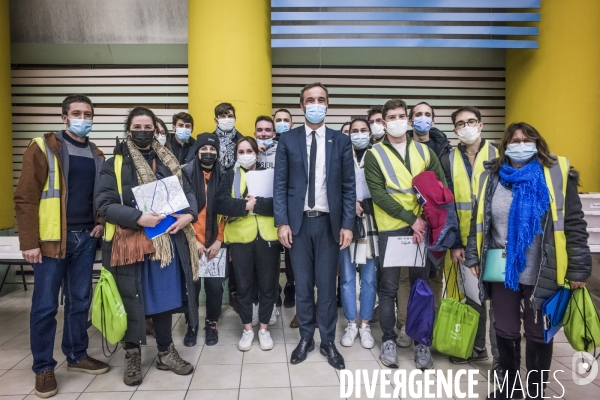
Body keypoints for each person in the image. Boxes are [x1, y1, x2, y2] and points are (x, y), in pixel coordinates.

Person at [465, 122, 591, 399]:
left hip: (543, 270)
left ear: (537, 144)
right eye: (514, 140)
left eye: (526, 140)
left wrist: (579, 268)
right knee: (505, 329)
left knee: (537, 333)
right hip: (502, 269)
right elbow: (479, 222)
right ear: (504, 145)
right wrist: (474, 256)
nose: (520, 145)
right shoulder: (492, 176)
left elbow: (574, 224)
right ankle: (510, 389)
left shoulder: (556, 174)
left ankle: (534, 391)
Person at [96, 106, 199, 386]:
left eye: (148, 127)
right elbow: (104, 205)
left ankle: (166, 352)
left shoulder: (168, 161)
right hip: (130, 244)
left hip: (166, 243)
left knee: (163, 300)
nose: (143, 132)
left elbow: (188, 192)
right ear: (128, 130)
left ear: (157, 129)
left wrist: (190, 213)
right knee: (132, 300)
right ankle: (131, 355)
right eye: (138, 127)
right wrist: (139, 217)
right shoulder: (114, 164)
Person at [15, 94, 108, 398]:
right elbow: (26, 198)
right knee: (45, 306)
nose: (84, 118)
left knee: (79, 301)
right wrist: (29, 242)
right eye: (77, 113)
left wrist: (101, 221)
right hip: (51, 241)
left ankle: (77, 355)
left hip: (85, 238)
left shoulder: (96, 154)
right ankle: (43, 367)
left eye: (88, 113)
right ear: (65, 117)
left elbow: (100, 196)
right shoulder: (43, 147)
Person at [274, 82, 355, 370]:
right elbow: (280, 184)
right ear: (301, 105)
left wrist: (348, 223)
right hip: (297, 226)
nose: (316, 104)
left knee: (326, 285)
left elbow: (348, 187)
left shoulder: (340, 141)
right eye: (310, 99)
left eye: (321, 99)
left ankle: (328, 341)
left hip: (328, 224)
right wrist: (282, 221)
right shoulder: (288, 140)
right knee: (304, 286)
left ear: (327, 105)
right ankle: (306, 338)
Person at [364, 98, 447, 370]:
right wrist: (412, 219)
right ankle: (388, 339)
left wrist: (424, 221)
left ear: (408, 121)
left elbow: (439, 190)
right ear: (384, 121)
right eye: (392, 117)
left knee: (420, 288)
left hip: (421, 229)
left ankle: (422, 343)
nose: (397, 121)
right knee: (388, 289)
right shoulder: (374, 154)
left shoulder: (425, 152)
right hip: (391, 229)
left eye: (402, 116)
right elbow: (378, 195)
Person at [439, 106, 500, 369]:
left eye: (471, 121)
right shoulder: (448, 158)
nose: (467, 127)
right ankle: (476, 348)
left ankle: (501, 357)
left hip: (498, 243)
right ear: (454, 130)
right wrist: (454, 242)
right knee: (474, 299)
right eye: (461, 123)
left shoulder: (500, 154)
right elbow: (446, 204)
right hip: (465, 243)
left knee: (500, 302)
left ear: (481, 124)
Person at [216, 137, 281, 351]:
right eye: (241, 151)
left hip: (268, 238)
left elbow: (280, 203)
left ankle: (263, 329)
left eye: (249, 150)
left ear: (257, 152)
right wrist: (245, 205)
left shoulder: (270, 174)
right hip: (240, 239)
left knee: (267, 285)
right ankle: (247, 329)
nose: (245, 155)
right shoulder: (229, 176)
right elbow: (220, 202)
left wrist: (258, 204)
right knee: (243, 287)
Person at [181, 134, 226, 347]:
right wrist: (193, 241)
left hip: (215, 243)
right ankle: (192, 324)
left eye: (213, 148)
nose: (208, 152)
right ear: (197, 151)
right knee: (192, 286)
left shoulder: (224, 175)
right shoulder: (185, 174)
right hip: (192, 242)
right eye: (204, 148)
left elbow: (226, 212)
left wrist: (219, 240)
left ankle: (211, 323)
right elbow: (179, 209)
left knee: (215, 288)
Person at [339, 117, 378, 350]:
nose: (359, 134)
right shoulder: (341, 156)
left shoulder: (377, 155)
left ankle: (365, 324)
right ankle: (351, 323)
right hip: (346, 222)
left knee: (369, 277)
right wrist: (348, 203)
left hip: (371, 221)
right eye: (355, 131)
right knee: (346, 277)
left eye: (364, 130)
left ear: (370, 134)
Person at [273, 109, 297, 310]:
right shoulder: (261, 149)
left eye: (285, 120)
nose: (282, 123)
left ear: (292, 123)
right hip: (264, 210)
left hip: (291, 208)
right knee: (271, 254)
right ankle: (273, 291)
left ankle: (290, 285)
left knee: (291, 251)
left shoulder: (296, 144)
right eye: (278, 120)